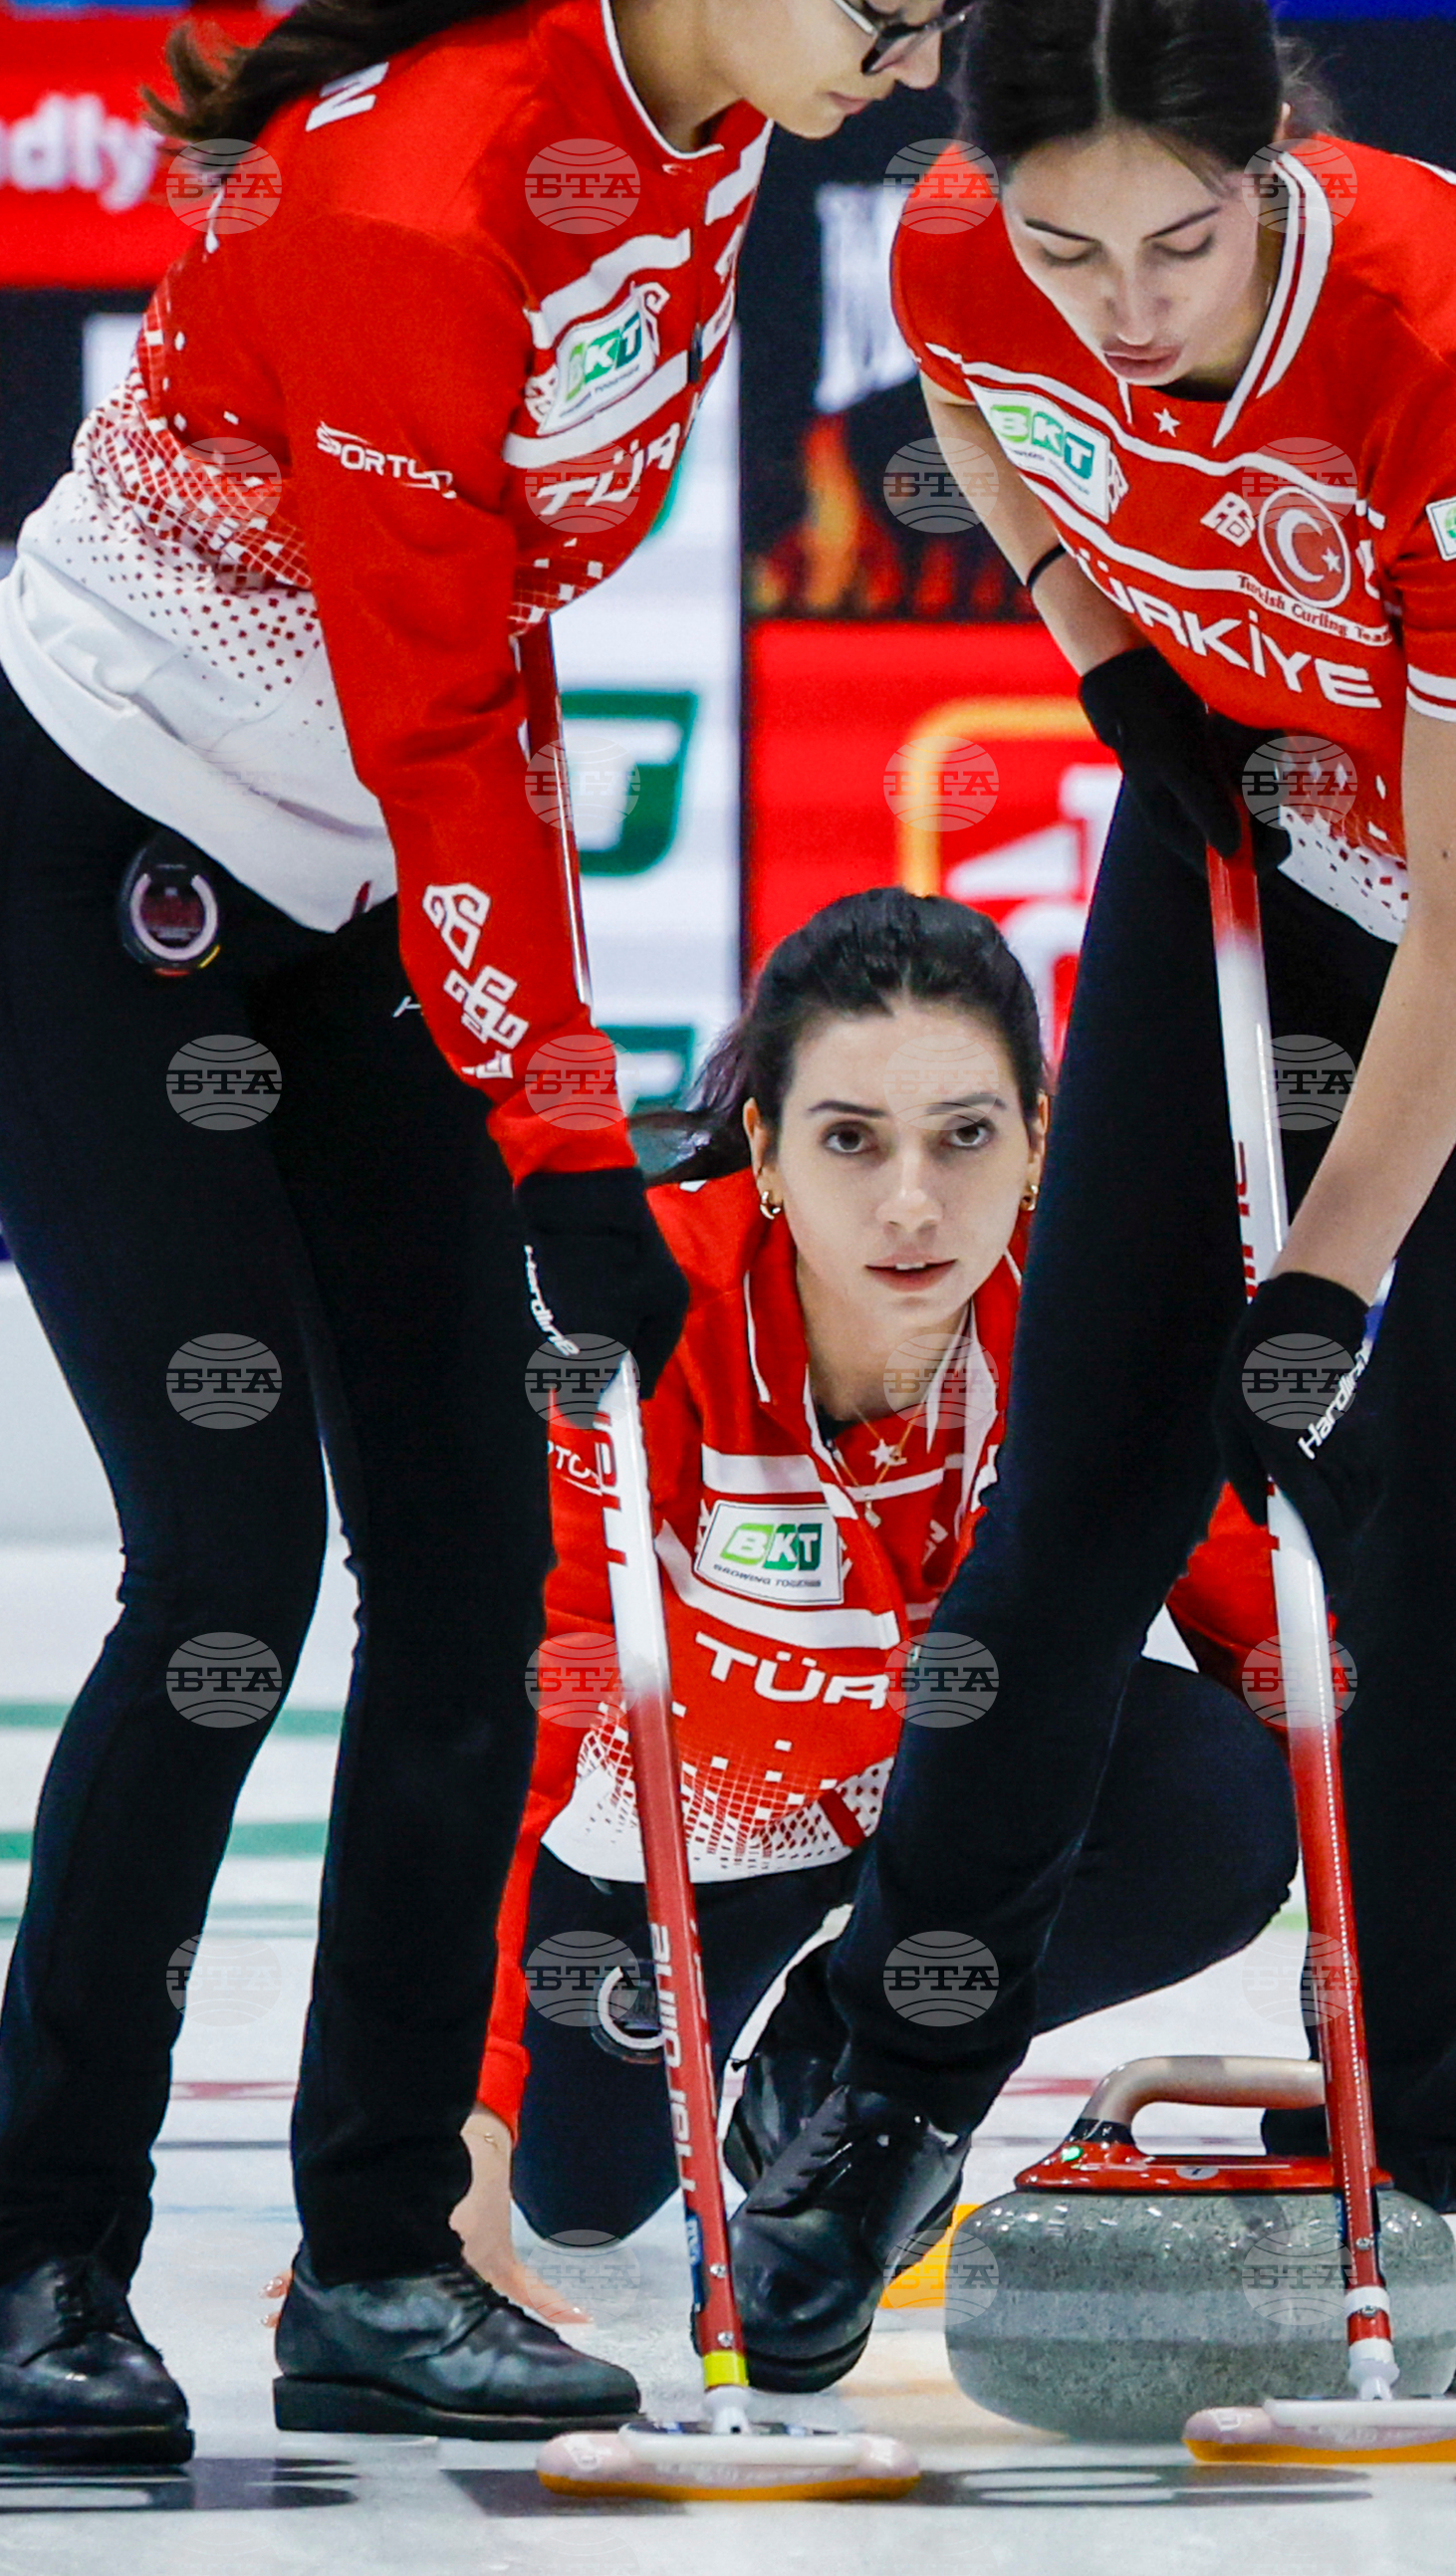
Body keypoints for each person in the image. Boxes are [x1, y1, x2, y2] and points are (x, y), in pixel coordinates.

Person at [0, 0, 1007, 2464]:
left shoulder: (721, 122)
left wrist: (535, 1084)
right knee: (224, 1588)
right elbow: (421, 706)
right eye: (888, 16)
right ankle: (42, 2271)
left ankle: (379, 2257)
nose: (907, 82)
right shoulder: (417, 198)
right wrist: (559, 1130)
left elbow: (492, 656)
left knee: (483, 1570)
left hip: (359, 867)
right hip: (116, 870)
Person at [730, 0, 1456, 2387]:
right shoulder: (976, 246)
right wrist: (1105, 645)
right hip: (1269, 813)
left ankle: (1423, 2098)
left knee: (1430, 1533)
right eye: (1068, 238)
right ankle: (887, 2059)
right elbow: (981, 417)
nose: (1117, 299)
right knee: (1084, 1464)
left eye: (1176, 240)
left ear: (1271, 151)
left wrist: (1319, 1273)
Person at [450, 890, 1298, 2305]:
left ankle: (854, 2038)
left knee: (1222, 1798)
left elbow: (1284, 1654)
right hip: (684, 1825)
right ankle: (708, 2035)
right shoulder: (645, 1327)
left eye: (965, 1136)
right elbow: (511, 1735)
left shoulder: (1095, 1326)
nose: (912, 1204)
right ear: (769, 1155)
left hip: (966, 1810)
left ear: (1037, 1141)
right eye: (851, 1139)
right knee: (581, 2195)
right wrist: (456, 2140)